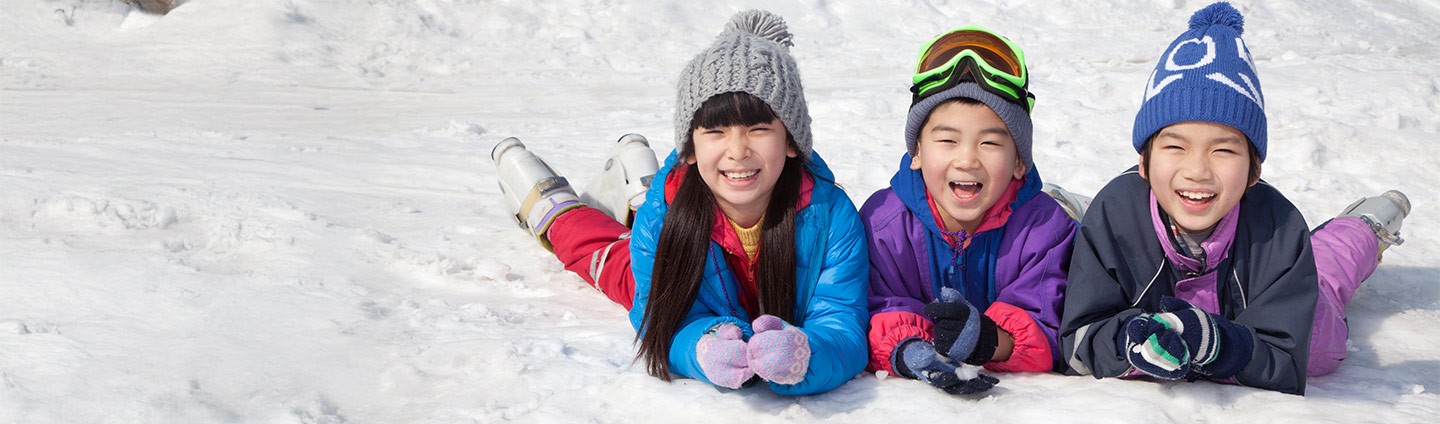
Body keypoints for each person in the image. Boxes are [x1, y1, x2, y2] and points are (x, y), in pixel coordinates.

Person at [490, 10, 869, 396]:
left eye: (758, 130)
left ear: (791, 141)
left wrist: (807, 355)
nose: (737, 151)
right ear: (689, 148)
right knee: (611, 261)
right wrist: (701, 348)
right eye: (716, 131)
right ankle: (556, 210)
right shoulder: (662, 220)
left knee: (645, 225)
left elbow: (841, 322)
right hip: (675, 234)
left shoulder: (831, 215)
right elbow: (660, 319)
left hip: (679, 210)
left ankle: (640, 184)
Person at [1059, 2, 1411, 396]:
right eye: (1175, 147)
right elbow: (1079, 338)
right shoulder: (1113, 216)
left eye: (1223, 151)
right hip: (1131, 209)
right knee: (1122, 210)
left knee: (1327, 274)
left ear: (1254, 171)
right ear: (1143, 161)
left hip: (1302, 309)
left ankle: (1363, 228)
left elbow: (1284, 359)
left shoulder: (1280, 229)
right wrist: (1128, 342)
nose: (1197, 170)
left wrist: (1220, 344)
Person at [863, 25, 1083, 395]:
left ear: (1019, 163)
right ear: (916, 152)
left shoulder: (1048, 229)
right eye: (947, 140)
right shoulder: (883, 225)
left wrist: (988, 339)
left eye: (990, 143)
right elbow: (873, 307)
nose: (966, 159)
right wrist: (910, 350)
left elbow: (1051, 325)